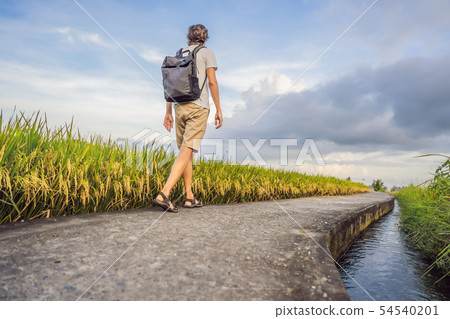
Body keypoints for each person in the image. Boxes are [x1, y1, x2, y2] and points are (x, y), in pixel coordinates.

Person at [153, 24, 223, 213]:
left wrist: (168, 111)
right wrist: (218, 108)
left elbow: (170, 84)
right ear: (205, 37)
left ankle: (189, 197)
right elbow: (212, 81)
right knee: (187, 150)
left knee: (187, 153)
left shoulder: (179, 54)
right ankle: (164, 194)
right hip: (198, 107)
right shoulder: (207, 52)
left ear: (188, 38)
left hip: (179, 107)